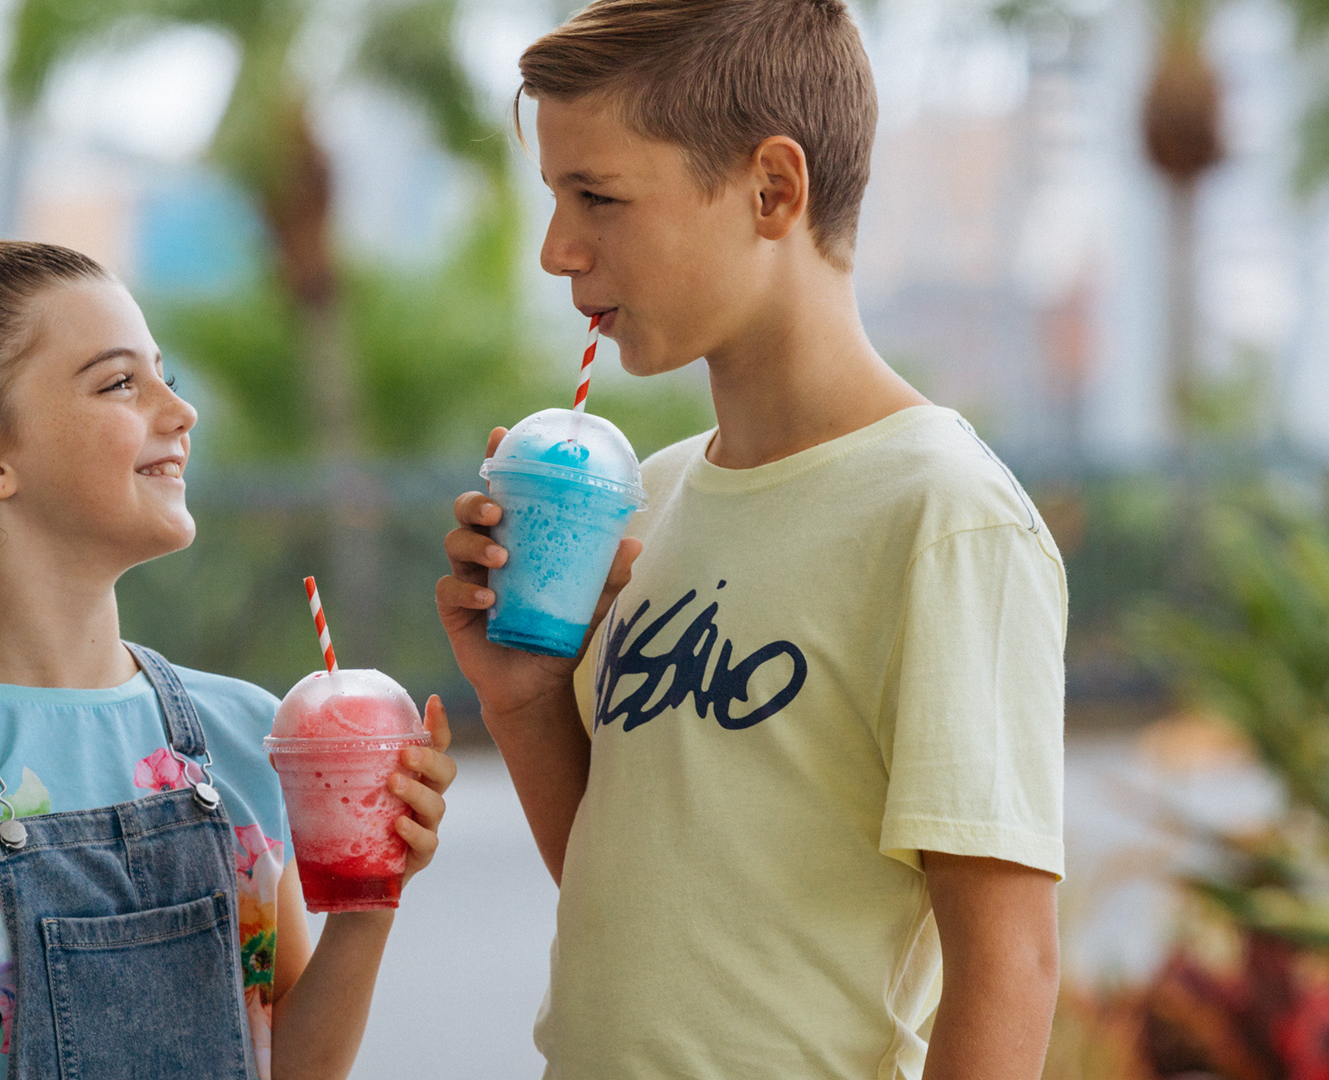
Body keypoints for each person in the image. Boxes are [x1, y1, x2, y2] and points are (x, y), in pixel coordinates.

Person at [437, 2, 1066, 1078]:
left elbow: (1009, 963)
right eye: (555, 196)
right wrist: (527, 699)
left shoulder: (940, 518)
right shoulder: (660, 495)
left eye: (598, 196)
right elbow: (635, 902)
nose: (556, 249)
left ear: (773, 189)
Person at [0, 229, 456, 1080]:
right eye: (121, 382)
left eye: (168, 376)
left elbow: (291, 1066)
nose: (179, 411)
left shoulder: (243, 737)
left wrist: (370, 897)